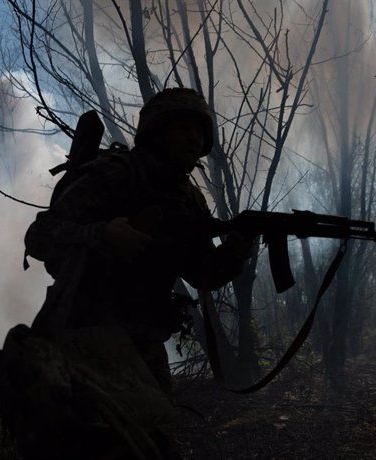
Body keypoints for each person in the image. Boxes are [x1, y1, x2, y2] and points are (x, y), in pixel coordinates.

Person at [18, 87, 252, 458]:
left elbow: (202, 274)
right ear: (158, 131)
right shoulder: (118, 174)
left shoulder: (189, 200)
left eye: (200, 132)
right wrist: (102, 235)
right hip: (88, 340)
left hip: (143, 345)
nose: (195, 138)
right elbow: (40, 236)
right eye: (184, 128)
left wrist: (235, 255)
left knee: (155, 444)